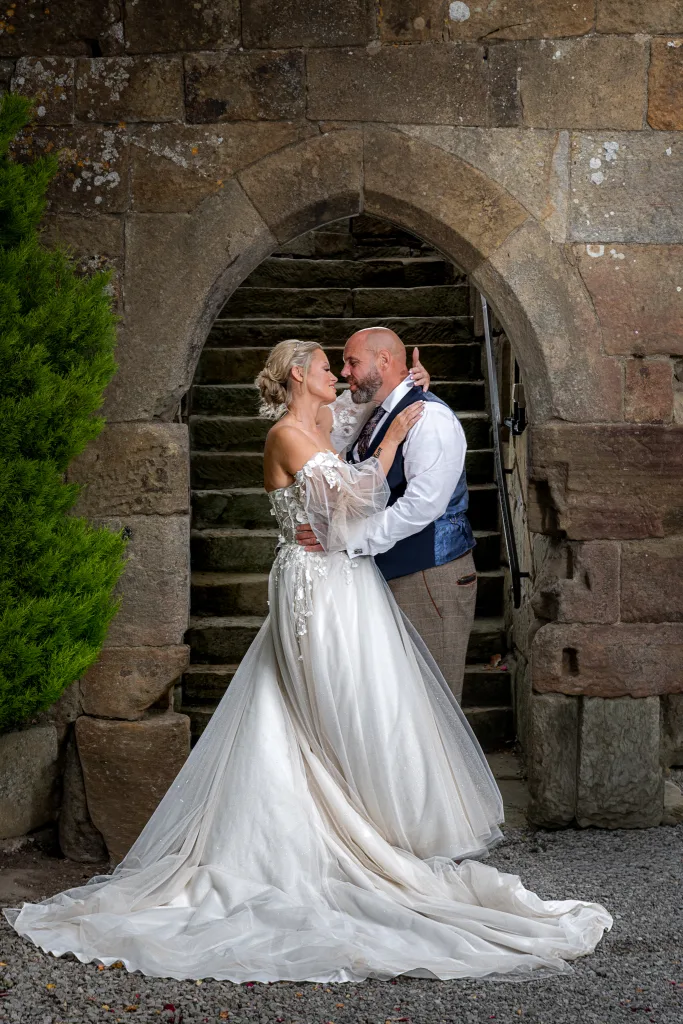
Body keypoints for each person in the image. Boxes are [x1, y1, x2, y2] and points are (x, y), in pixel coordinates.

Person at [3, 339, 612, 984]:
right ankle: (315, 837)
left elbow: (361, 413)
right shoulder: (289, 434)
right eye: (330, 366)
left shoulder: (326, 418)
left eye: (345, 365)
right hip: (312, 584)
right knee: (314, 700)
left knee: (354, 702)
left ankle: (370, 822)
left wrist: (406, 390)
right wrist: (395, 434)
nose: (340, 377)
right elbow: (351, 493)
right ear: (301, 374)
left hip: (344, 577)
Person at [296, 327, 477, 704]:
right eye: (341, 364)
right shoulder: (374, 411)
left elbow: (421, 507)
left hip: (429, 575)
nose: (345, 373)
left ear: (384, 361)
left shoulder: (430, 419)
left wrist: (347, 537)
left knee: (433, 703)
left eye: (352, 362)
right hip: (388, 571)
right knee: (399, 705)